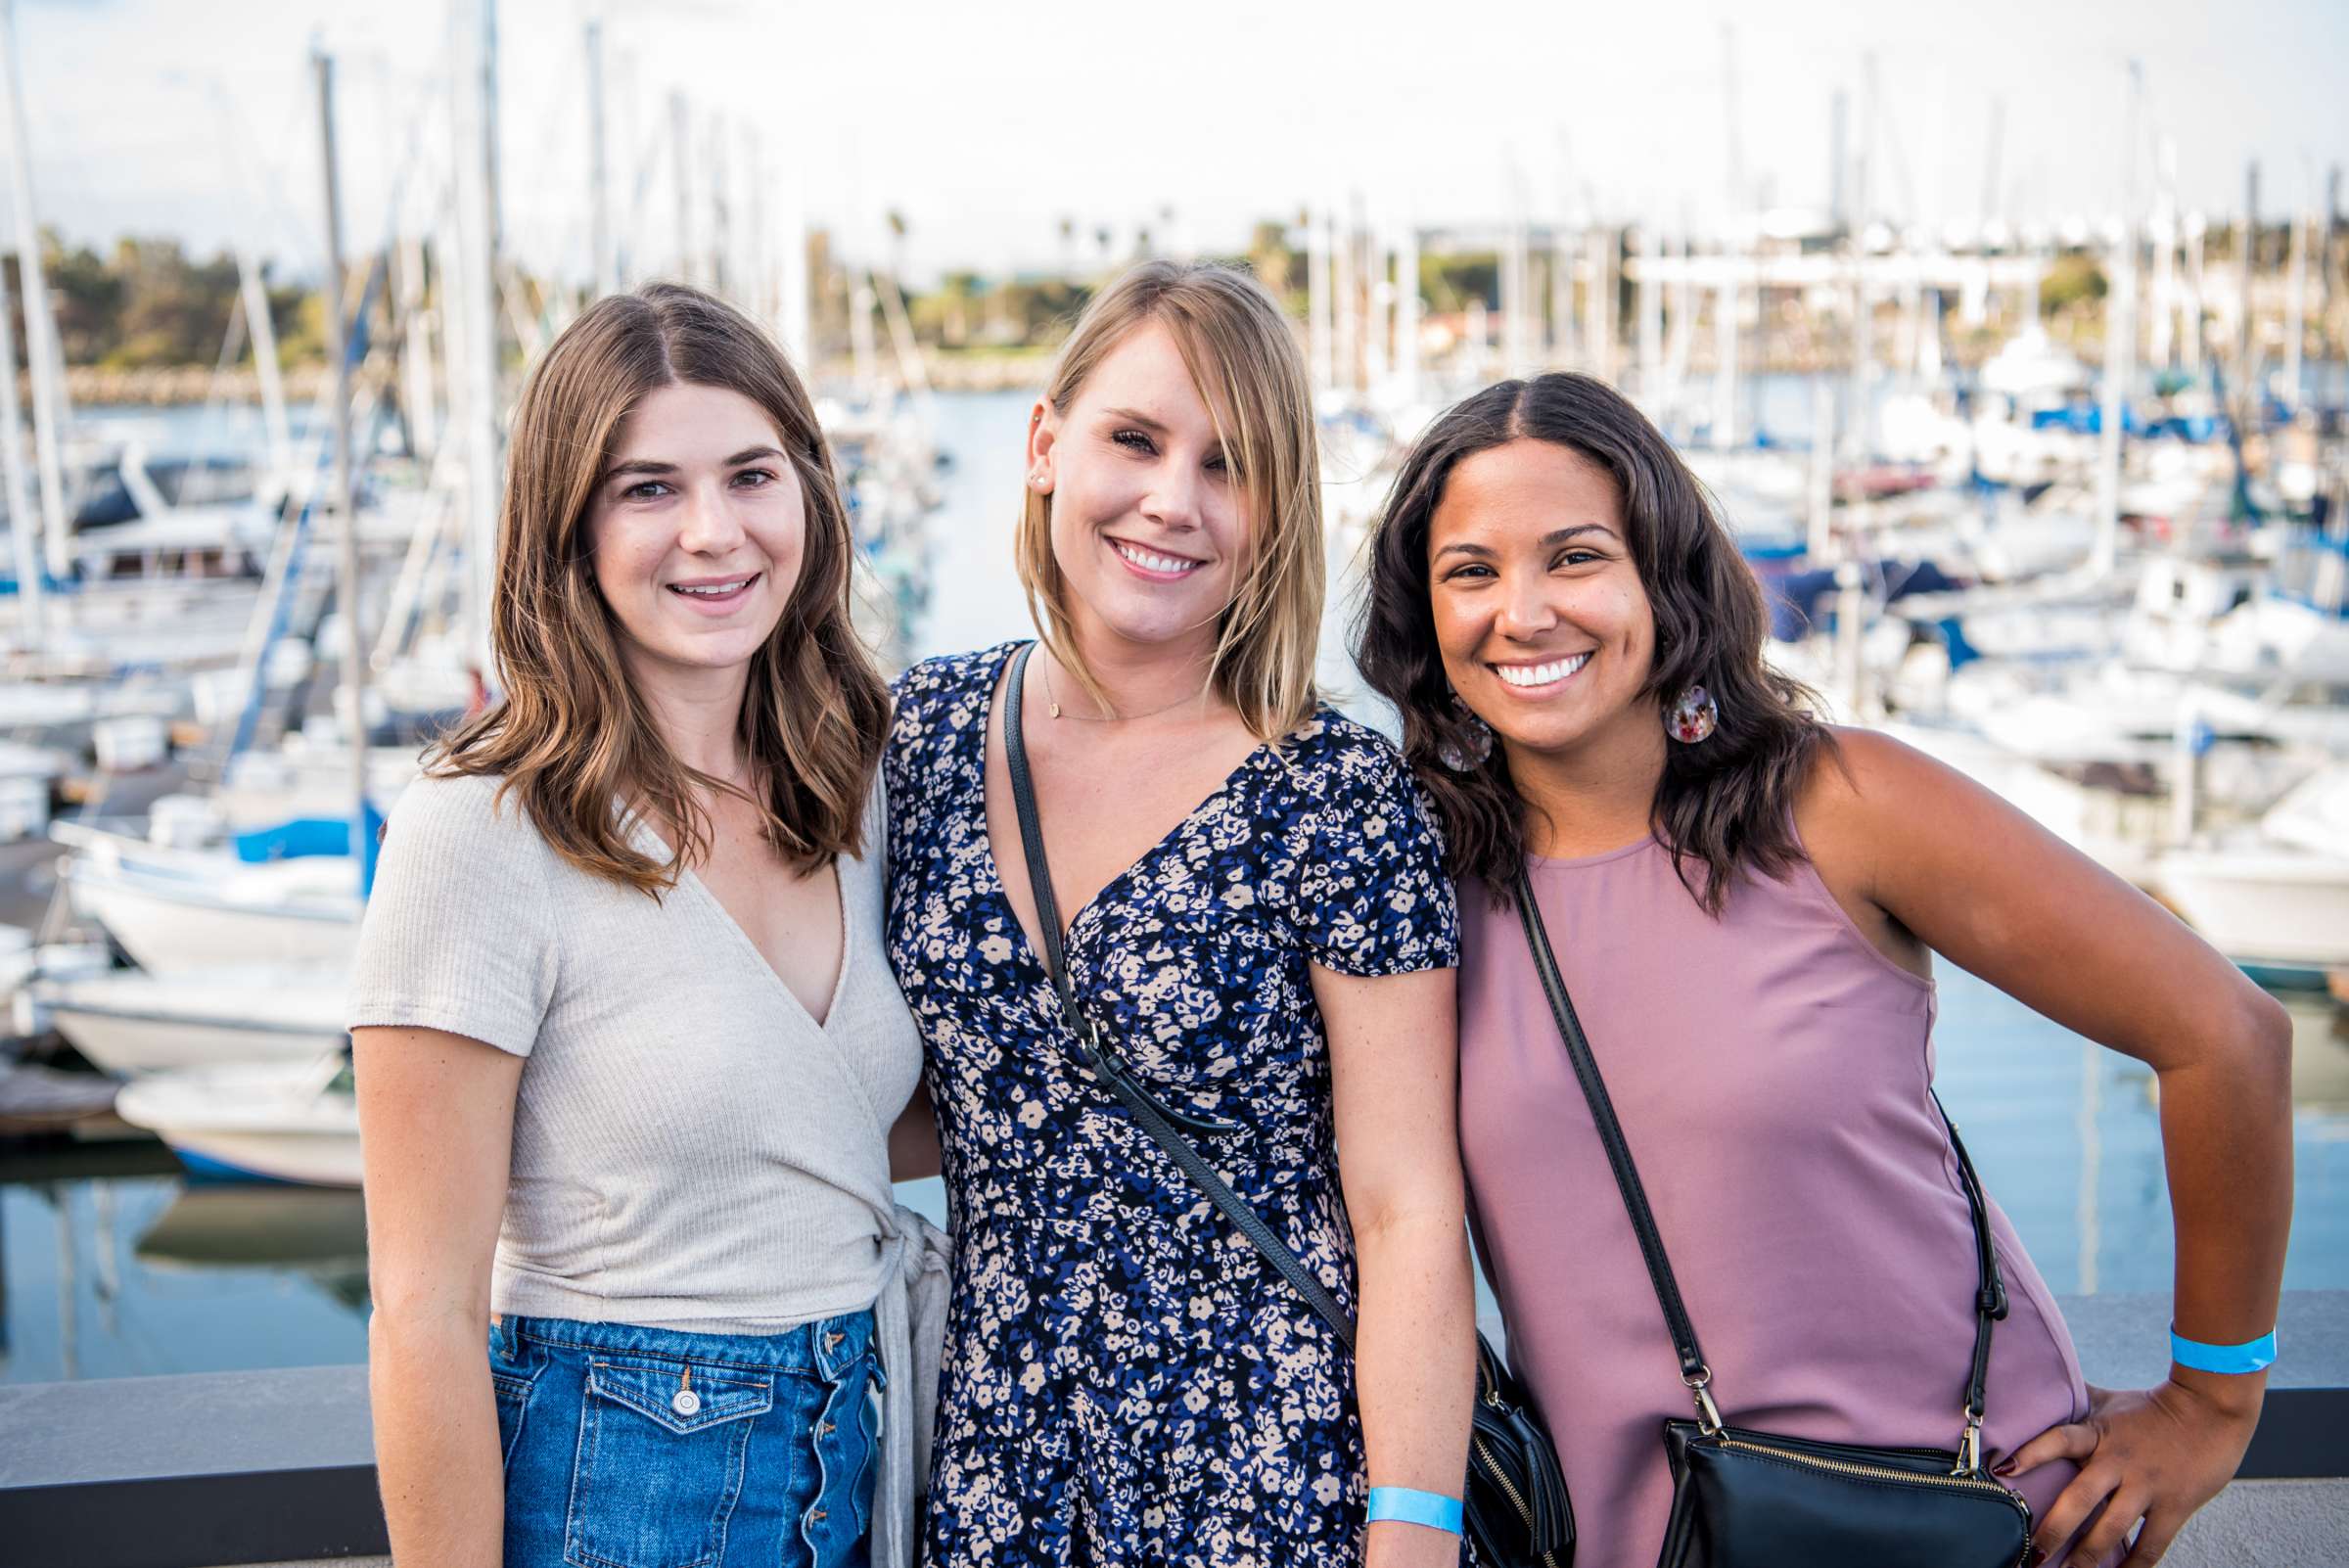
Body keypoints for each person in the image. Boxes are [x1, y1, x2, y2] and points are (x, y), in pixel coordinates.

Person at [1354, 372, 2292, 1568]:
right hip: (1630, 1544)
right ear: (1424, 620)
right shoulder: (1412, 888)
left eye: (1576, 557)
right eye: (1471, 572)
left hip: (1964, 1515)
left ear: (1662, 574)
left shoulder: (1840, 804)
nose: (1524, 612)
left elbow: (2226, 1034)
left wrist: (2211, 1404)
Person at [883, 260, 1476, 1567]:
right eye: (1135, 440)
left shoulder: (1333, 794)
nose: (1172, 500)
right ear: (1045, 445)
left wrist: (1416, 1533)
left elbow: (1407, 1208)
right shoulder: (923, 733)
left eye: (1229, 465)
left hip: (1276, 1477)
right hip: (1000, 1466)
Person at [349, 282, 945, 1568]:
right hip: (617, 1489)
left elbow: (830, 1127)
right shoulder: (479, 831)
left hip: (860, 1455)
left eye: (750, 474)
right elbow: (422, 1308)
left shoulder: (854, 784)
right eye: (649, 489)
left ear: (810, 496)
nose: (716, 532)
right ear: (569, 525)